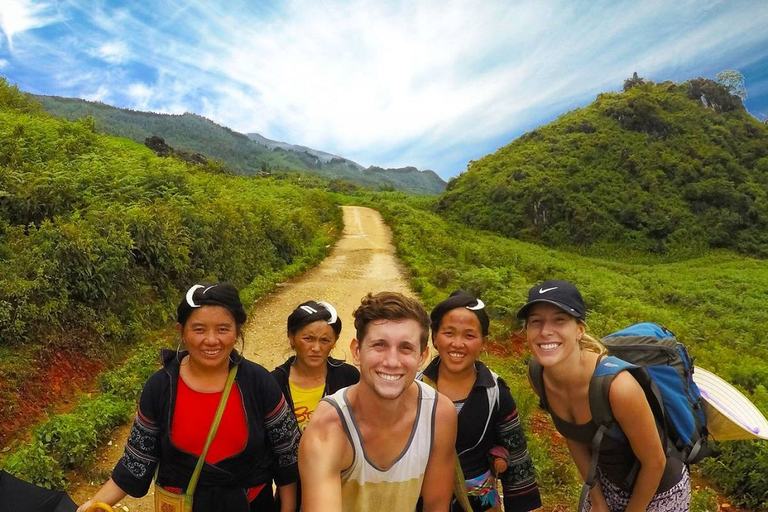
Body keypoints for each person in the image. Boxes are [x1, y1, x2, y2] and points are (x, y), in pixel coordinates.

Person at [77, 282, 300, 512]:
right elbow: (137, 460)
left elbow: (287, 456)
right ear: (181, 332)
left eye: (223, 329)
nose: (211, 340)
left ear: (237, 331)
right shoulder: (160, 387)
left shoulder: (259, 383)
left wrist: (288, 508)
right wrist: (92, 505)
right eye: (199, 329)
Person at [517, 279, 690, 512]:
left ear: (579, 330)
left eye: (559, 320)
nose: (545, 331)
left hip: (660, 492)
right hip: (607, 484)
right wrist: (597, 500)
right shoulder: (538, 374)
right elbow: (573, 436)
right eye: (536, 321)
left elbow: (655, 462)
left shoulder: (618, 388)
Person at [298, 291, 458, 512]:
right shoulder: (328, 429)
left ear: (422, 357)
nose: (392, 361)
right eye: (379, 345)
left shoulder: (439, 415)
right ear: (357, 351)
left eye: (405, 347)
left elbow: (436, 505)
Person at [419, 290, 541, 512]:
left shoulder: (496, 392)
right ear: (435, 337)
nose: (458, 344)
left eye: (469, 335)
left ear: (484, 342)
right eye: (448, 332)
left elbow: (516, 453)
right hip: (421, 499)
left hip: (479, 503)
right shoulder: (415, 388)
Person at [270, 300, 360, 510]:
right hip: (292, 487)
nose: (316, 348)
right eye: (308, 338)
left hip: (343, 484)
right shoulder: (275, 383)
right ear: (292, 338)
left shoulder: (348, 377)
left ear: (335, 341)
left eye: (325, 340)